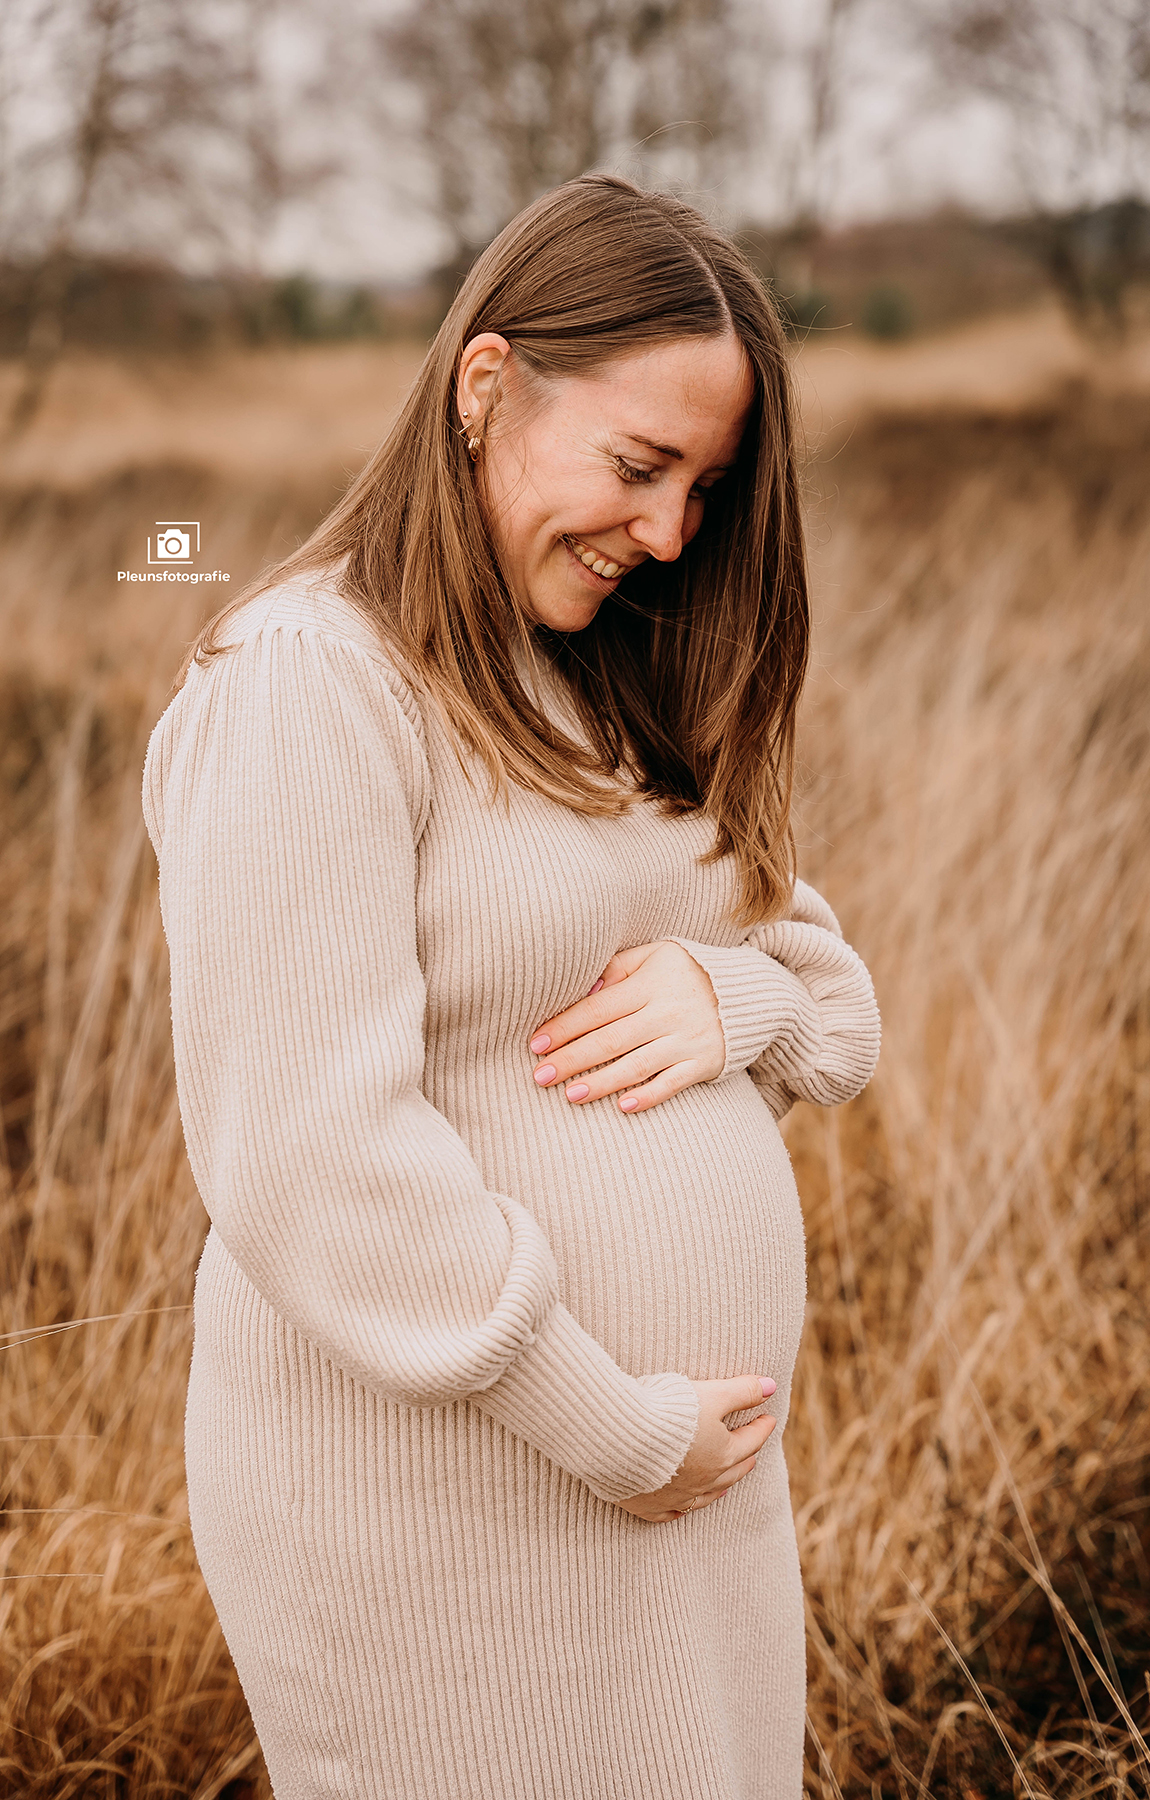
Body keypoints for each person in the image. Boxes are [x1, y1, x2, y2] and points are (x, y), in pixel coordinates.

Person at [143, 175, 880, 1800]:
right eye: (639, 465)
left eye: (705, 484)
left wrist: (728, 998)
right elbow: (309, 1163)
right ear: (485, 389)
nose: (673, 532)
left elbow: (832, 997)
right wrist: (611, 1424)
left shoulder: (603, 685)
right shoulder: (304, 691)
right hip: (452, 1508)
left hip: (682, 1508)